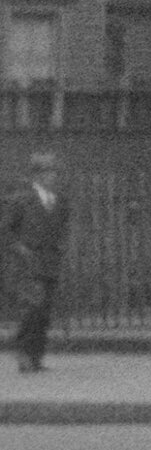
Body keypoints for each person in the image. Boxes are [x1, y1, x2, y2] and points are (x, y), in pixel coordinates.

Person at [5, 150, 70, 373]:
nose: (54, 176)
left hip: (50, 262)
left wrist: (60, 247)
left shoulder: (59, 201)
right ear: (38, 175)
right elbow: (5, 231)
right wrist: (20, 248)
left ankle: (36, 357)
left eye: (55, 172)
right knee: (32, 308)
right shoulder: (21, 199)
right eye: (49, 172)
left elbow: (60, 229)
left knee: (44, 312)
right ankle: (24, 355)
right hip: (29, 264)